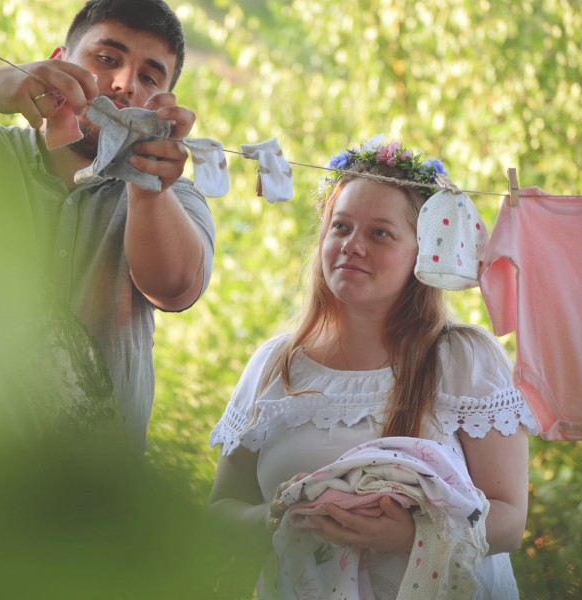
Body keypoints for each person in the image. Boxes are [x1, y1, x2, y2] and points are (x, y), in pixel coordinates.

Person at [207, 136, 534, 599]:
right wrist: (276, 517)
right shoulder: (275, 365)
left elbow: (510, 521)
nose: (352, 246)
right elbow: (221, 510)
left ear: (422, 250)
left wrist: (411, 535)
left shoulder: (463, 357)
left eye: (379, 233)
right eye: (341, 227)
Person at [0, 0, 215, 452]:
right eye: (106, 58)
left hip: (97, 481)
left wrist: (147, 188)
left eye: (150, 78)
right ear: (57, 61)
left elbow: (175, 289)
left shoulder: (176, 198)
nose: (125, 84)